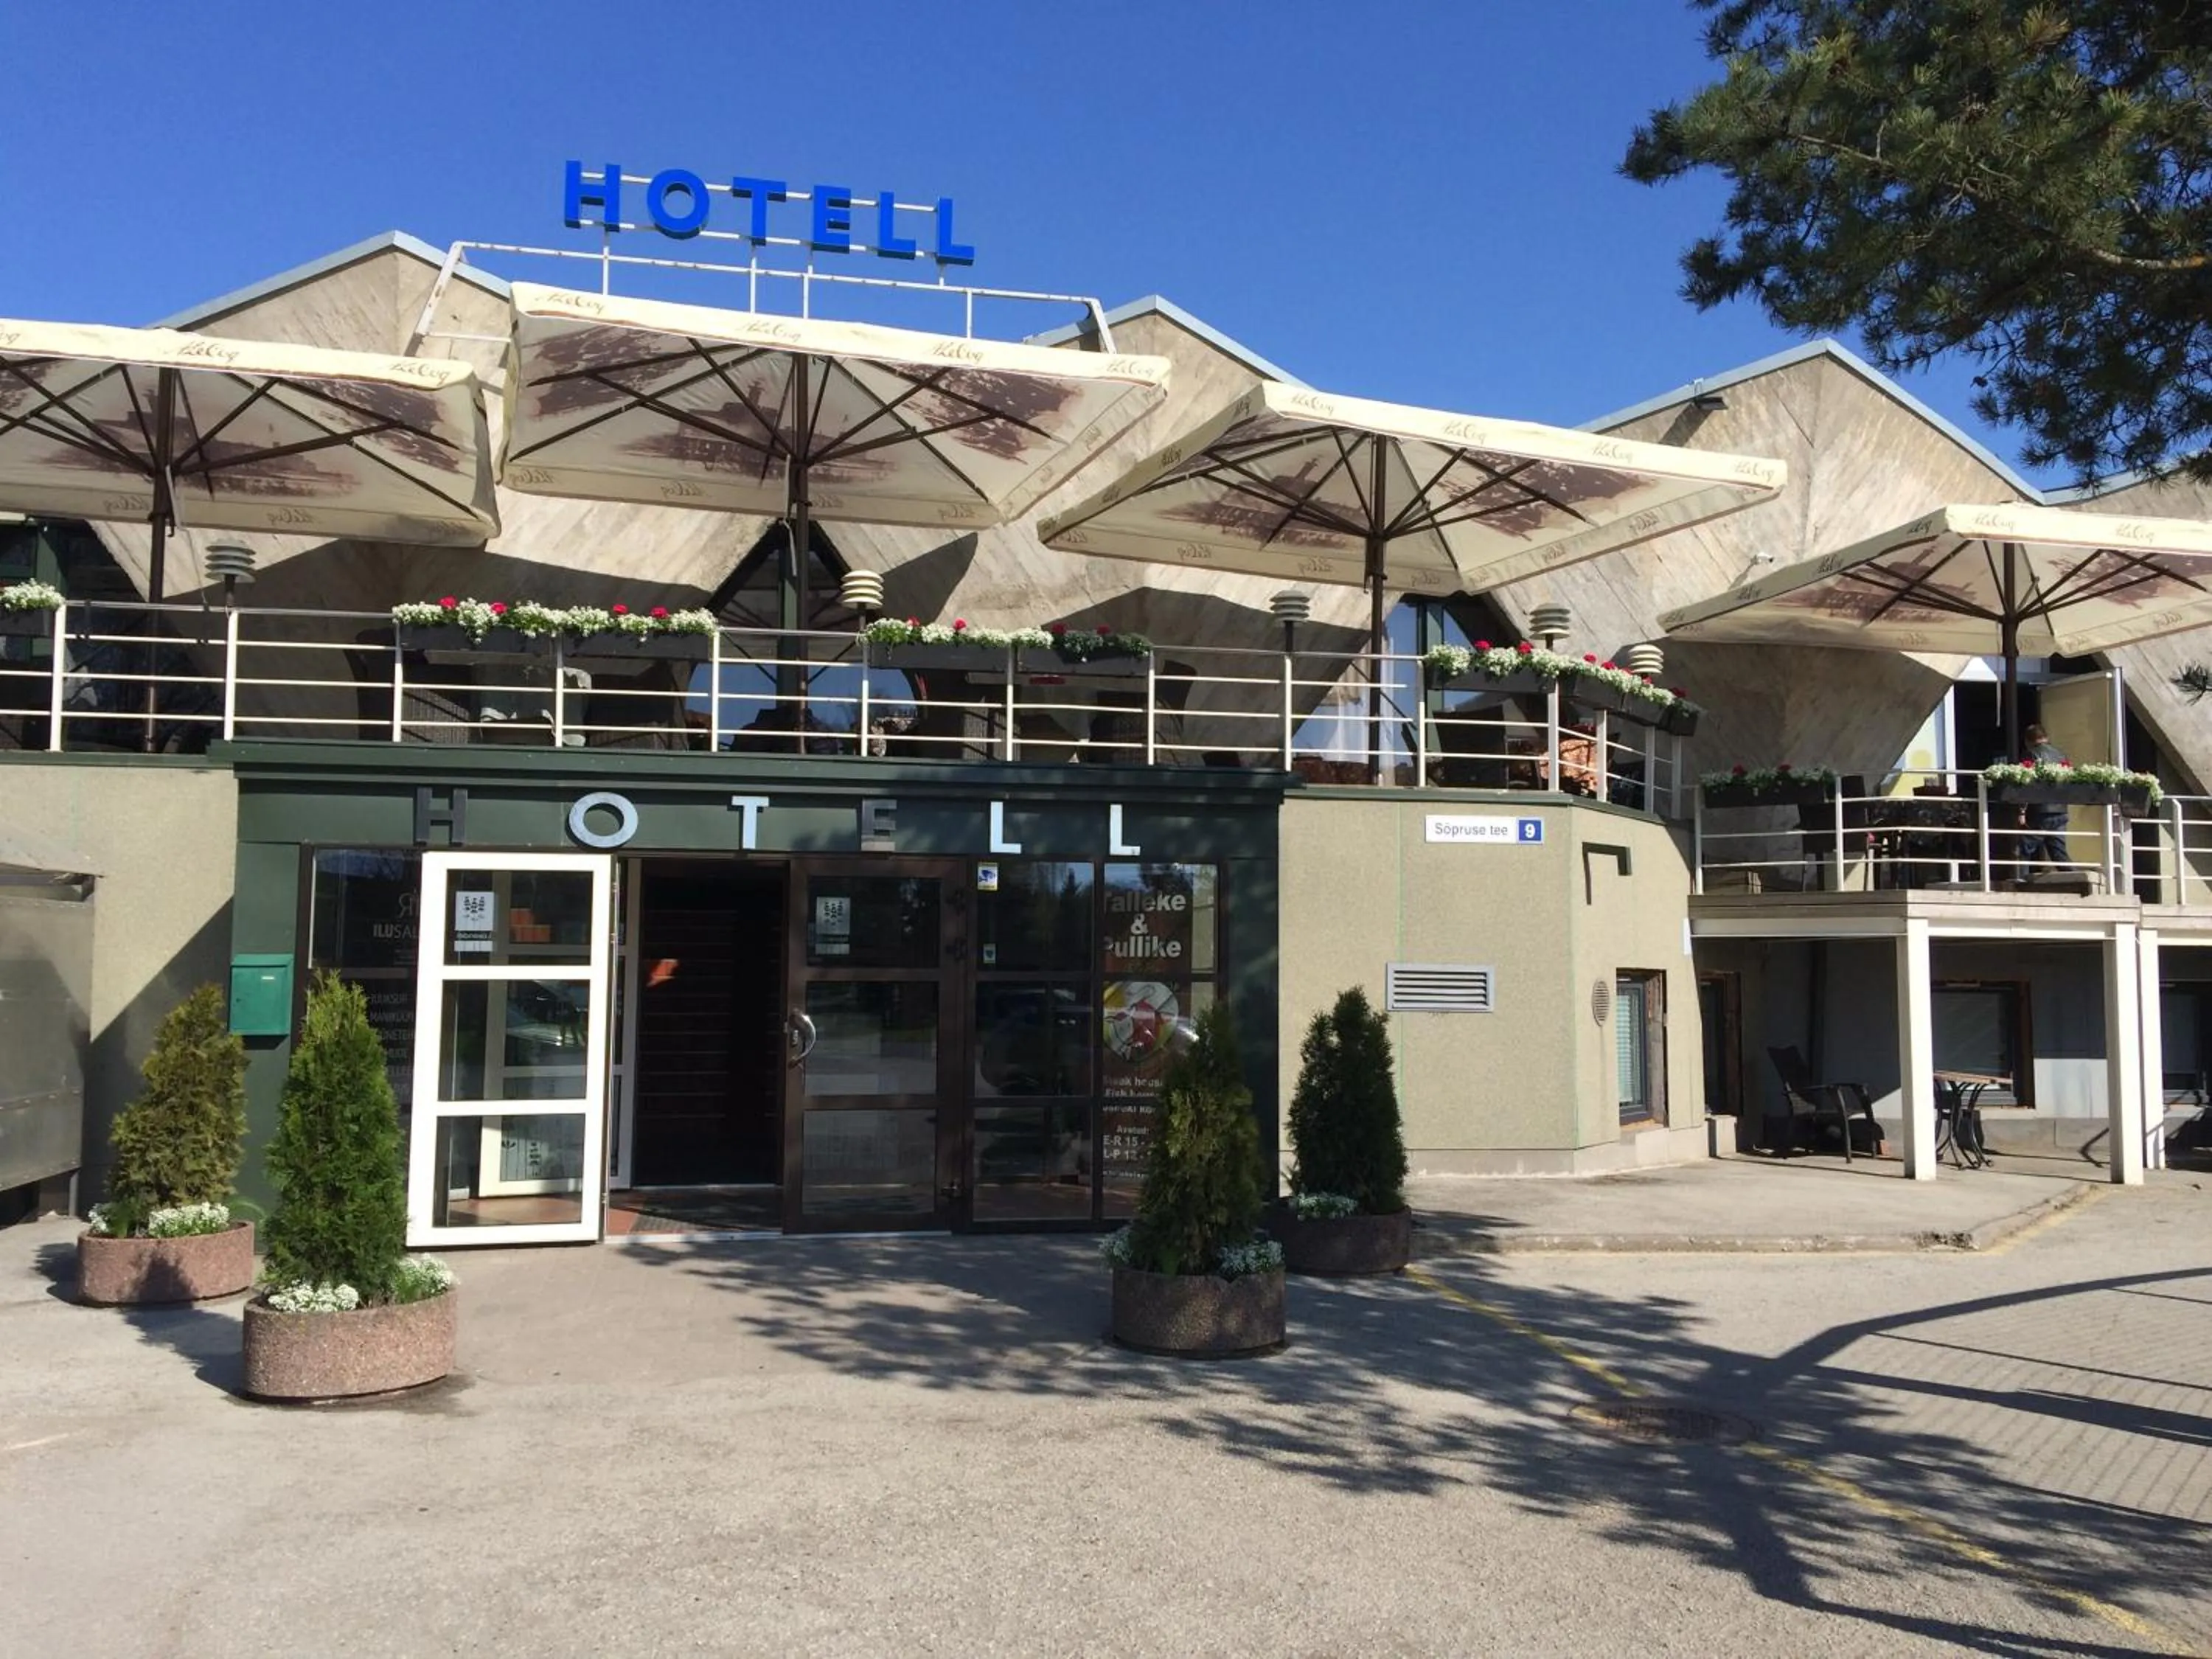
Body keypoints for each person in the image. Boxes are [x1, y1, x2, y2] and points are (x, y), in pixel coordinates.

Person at [2018, 723, 2073, 871]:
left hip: (2041, 811)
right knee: (2058, 853)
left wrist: (2022, 811)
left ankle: (2019, 882)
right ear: (2046, 738)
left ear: (2028, 741)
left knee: (2023, 847)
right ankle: (2078, 882)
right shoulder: (2061, 755)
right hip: (2061, 810)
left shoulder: (2031, 754)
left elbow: (2026, 783)